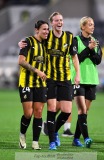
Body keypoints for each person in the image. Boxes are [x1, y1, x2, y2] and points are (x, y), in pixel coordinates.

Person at [18, 12, 80, 150]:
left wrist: (78, 74)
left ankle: (52, 132)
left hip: (64, 78)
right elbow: (33, 40)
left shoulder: (69, 37)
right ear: (52, 23)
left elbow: (75, 56)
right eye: (56, 20)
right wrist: (22, 43)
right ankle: (49, 141)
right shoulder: (46, 37)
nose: (59, 22)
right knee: (44, 110)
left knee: (66, 111)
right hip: (49, 79)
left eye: (61, 20)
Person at [70, 16, 102, 148]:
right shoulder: (75, 40)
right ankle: (86, 138)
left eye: (93, 24)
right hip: (79, 78)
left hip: (91, 78)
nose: (92, 26)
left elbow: (98, 60)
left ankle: (76, 139)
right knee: (82, 109)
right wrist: (89, 49)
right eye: (89, 24)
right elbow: (77, 58)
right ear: (82, 27)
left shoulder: (95, 41)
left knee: (85, 110)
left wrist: (92, 50)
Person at [18, 20, 49, 150]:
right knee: (28, 113)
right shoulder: (28, 42)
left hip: (41, 84)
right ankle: (22, 134)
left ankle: (35, 142)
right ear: (37, 30)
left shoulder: (47, 44)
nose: (47, 32)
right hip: (26, 82)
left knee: (39, 112)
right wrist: (36, 70)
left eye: (48, 29)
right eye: (44, 29)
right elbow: (21, 61)